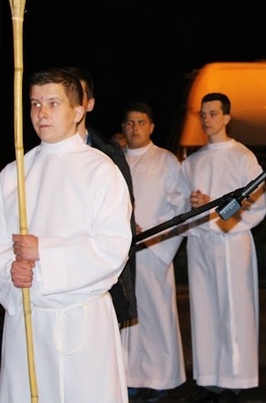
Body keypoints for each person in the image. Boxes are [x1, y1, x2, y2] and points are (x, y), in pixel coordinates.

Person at [0, 68, 133, 403]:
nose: (41, 113)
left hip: (82, 320)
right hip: (28, 319)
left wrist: (44, 252)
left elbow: (112, 248)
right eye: (34, 103)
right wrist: (8, 270)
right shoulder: (15, 172)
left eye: (53, 103)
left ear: (77, 111)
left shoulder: (102, 171)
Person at [180, 92, 266, 402]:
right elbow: (180, 205)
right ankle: (209, 378)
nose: (207, 119)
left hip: (231, 243)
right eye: (203, 114)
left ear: (227, 118)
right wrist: (192, 211)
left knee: (234, 311)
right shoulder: (192, 162)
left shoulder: (242, 157)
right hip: (200, 245)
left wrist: (215, 209)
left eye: (213, 113)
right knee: (204, 310)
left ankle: (235, 380)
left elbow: (257, 202)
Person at [119, 101, 189, 400]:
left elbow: (180, 204)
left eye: (141, 122)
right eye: (130, 123)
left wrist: (152, 236)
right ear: (123, 127)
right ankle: (130, 376)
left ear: (151, 127)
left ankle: (162, 378)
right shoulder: (114, 161)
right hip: (122, 253)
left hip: (153, 251)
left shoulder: (166, 160)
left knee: (156, 315)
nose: (135, 128)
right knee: (127, 318)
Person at [62, 65, 138, 327]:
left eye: (78, 94)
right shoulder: (39, 159)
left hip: (101, 279)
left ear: (89, 104)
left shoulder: (110, 156)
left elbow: (124, 223)